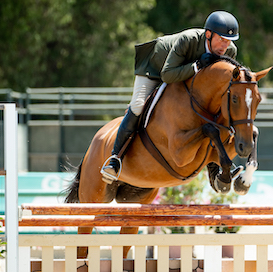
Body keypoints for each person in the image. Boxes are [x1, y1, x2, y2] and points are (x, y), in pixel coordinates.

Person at [100, 10, 240, 184]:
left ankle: (214, 166)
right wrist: (197, 65)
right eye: (222, 39)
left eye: (229, 41)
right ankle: (115, 159)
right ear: (209, 35)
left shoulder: (229, 51)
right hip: (156, 68)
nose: (225, 46)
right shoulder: (188, 40)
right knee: (138, 105)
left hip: (185, 74)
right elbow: (167, 75)